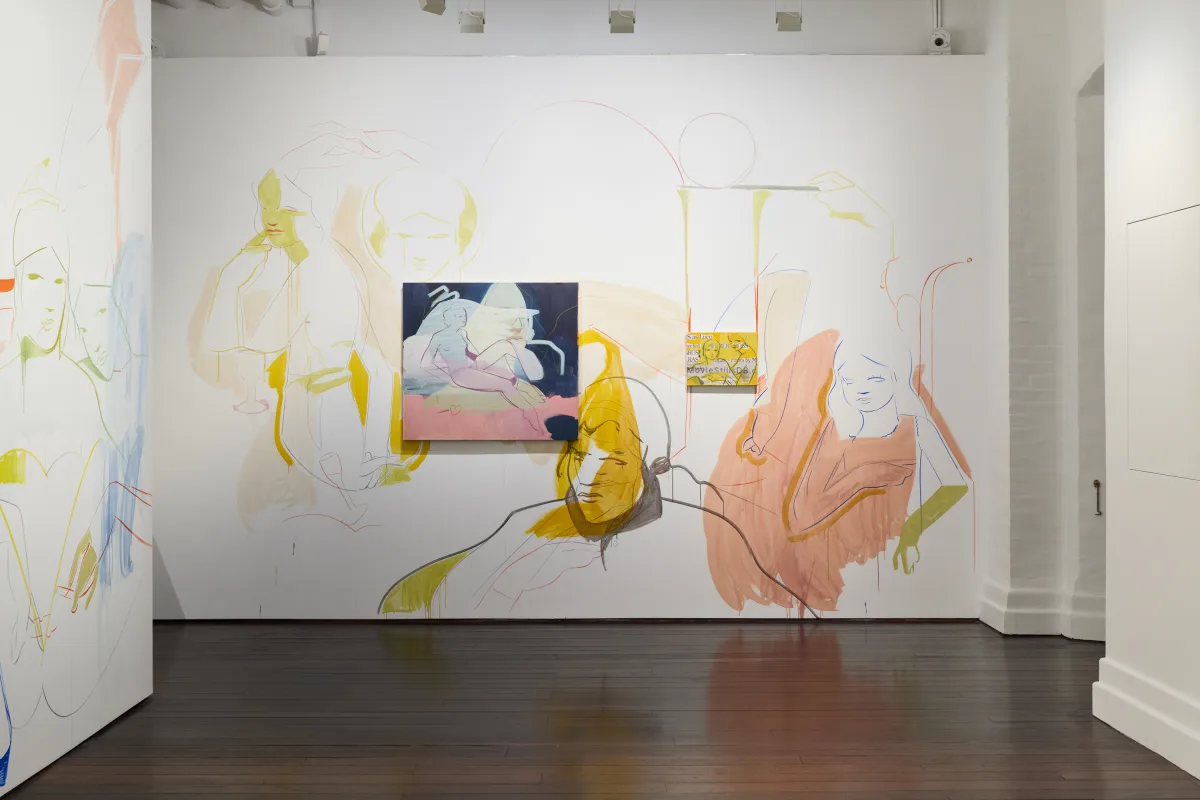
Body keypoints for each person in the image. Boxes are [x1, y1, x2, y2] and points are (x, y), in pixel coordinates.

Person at [705, 329, 969, 614]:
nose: (861, 390)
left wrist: (912, 530)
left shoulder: (916, 428)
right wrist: (862, 480)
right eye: (849, 380)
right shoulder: (832, 430)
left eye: (875, 379)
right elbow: (800, 514)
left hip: (888, 557)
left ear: (897, 378)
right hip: (833, 565)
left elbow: (955, 484)